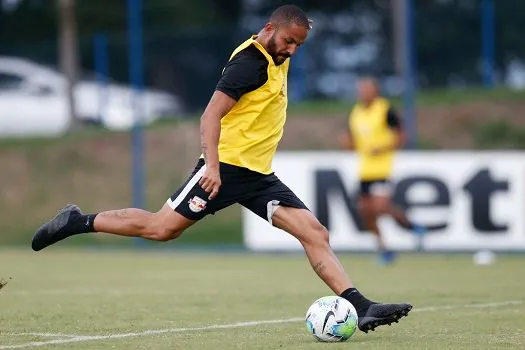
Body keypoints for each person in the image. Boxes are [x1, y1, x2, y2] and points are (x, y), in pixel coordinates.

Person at [31, 5, 411, 333]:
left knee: (315, 233)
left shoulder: (276, 55)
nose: (293, 50)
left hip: (258, 176)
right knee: (161, 228)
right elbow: (210, 114)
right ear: (268, 30)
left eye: (299, 45)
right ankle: (76, 222)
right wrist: (211, 166)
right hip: (225, 169)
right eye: (289, 42)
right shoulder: (249, 64)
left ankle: (360, 308)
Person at [339, 78, 426, 265]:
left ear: (375, 91)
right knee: (365, 212)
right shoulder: (356, 112)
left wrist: (385, 147)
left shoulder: (385, 109)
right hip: (364, 171)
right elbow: (352, 140)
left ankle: (412, 226)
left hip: (383, 168)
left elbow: (401, 135)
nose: (362, 93)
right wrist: (348, 144)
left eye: (366, 89)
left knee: (379, 207)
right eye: (360, 89)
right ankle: (384, 249)